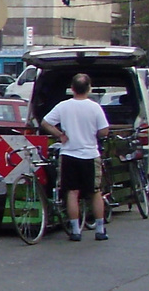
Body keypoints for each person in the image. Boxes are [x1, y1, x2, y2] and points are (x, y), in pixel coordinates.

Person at [42, 72, 111, 241]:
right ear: (89, 88)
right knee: (95, 192)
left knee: (72, 192)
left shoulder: (63, 106)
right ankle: (100, 230)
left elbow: (45, 122)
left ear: (72, 88)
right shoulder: (95, 107)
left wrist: (60, 135)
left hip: (69, 154)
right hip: (89, 154)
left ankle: (75, 230)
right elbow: (104, 131)